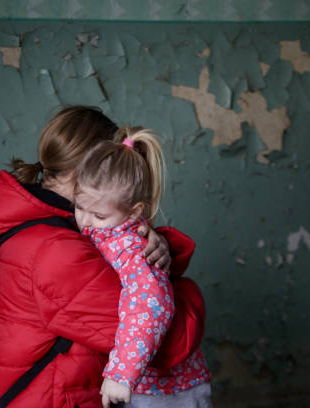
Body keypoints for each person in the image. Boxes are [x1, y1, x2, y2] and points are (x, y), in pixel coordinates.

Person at [0, 106, 205, 407]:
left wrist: (151, 240)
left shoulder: (22, 219)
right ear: (90, 169)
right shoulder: (58, 251)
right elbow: (170, 342)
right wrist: (189, 294)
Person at [73, 127, 211, 408]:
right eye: (79, 207)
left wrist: (121, 374)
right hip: (146, 383)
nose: (85, 221)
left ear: (135, 211)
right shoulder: (104, 230)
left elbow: (151, 302)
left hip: (164, 391)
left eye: (98, 215)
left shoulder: (131, 248)